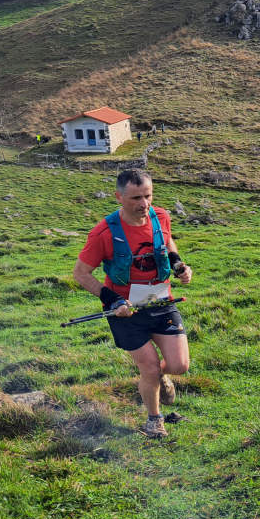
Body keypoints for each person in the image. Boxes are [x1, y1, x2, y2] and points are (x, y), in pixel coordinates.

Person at [73, 168, 193, 438]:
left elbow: (167, 240)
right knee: (148, 367)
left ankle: (159, 377)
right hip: (124, 310)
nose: (144, 204)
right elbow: (80, 273)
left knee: (179, 365)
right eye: (136, 198)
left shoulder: (160, 216)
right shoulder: (104, 233)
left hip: (160, 302)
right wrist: (111, 299)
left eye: (148, 196)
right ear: (119, 197)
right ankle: (154, 420)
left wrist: (178, 264)